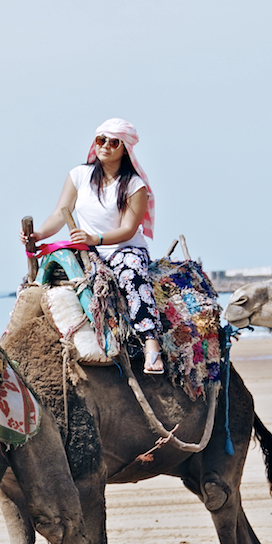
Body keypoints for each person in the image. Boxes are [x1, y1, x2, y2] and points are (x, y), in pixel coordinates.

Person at [22, 118, 165, 374]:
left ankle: (151, 343)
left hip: (124, 248)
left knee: (132, 275)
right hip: (88, 249)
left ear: (125, 149)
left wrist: (94, 238)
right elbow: (60, 214)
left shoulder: (135, 185)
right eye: (101, 140)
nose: (105, 146)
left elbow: (128, 229)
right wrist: (39, 235)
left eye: (114, 142)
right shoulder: (79, 175)